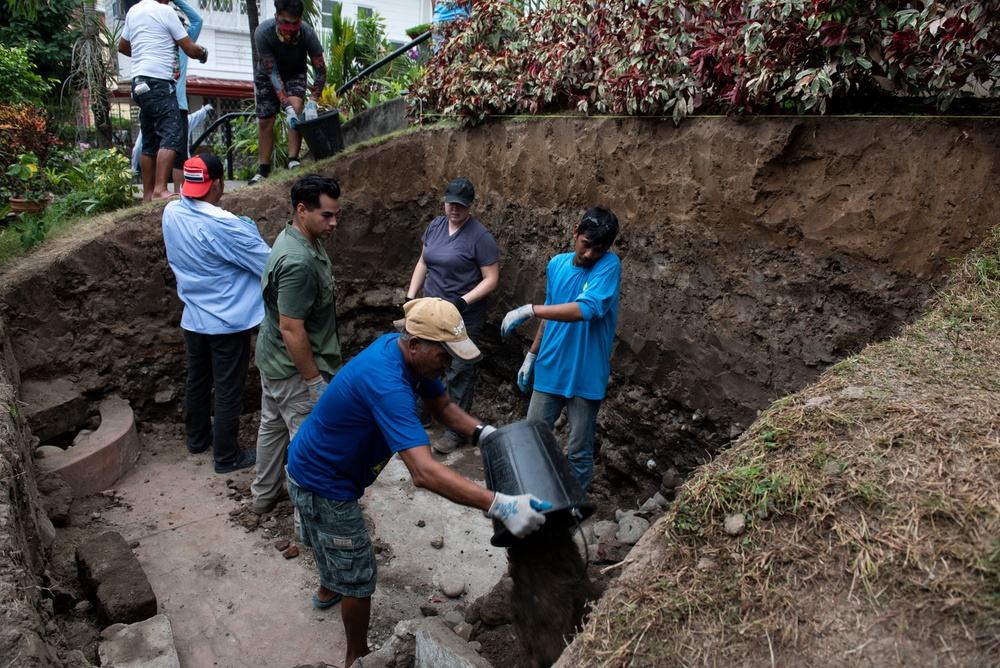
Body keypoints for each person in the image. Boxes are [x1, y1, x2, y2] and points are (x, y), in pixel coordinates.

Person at [286, 297, 549, 668]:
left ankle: (329, 586)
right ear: (415, 344)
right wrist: (499, 504)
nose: (450, 363)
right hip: (323, 483)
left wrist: (484, 433)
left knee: (331, 544)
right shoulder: (387, 383)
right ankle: (357, 656)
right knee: (359, 576)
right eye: (445, 355)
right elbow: (423, 472)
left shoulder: (405, 356)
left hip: (315, 464)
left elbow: (441, 407)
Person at [161, 153, 271, 473]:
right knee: (227, 390)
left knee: (197, 380)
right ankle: (226, 455)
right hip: (227, 322)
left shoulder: (171, 212)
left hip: (194, 318)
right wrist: (247, 231)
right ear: (219, 184)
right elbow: (268, 266)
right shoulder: (227, 226)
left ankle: (197, 439)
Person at [501, 207, 622, 490]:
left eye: (599, 249)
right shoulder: (556, 264)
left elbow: (587, 308)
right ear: (575, 232)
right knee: (533, 438)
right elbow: (549, 314)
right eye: (586, 244)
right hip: (551, 366)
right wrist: (532, 355)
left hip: (586, 373)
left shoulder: (609, 266)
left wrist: (529, 309)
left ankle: (571, 508)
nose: (591, 254)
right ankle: (523, 495)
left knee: (579, 449)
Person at [251, 174, 342, 515]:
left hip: (273, 360)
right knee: (308, 445)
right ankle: (311, 520)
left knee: (272, 427)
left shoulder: (298, 236)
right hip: (292, 369)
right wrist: (314, 381)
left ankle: (262, 497)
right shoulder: (298, 261)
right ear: (302, 210)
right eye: (326, 216)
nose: (334, 223)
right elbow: (291, 329)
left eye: (336, 214)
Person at [405, 177, 499, 453]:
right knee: (423, 361)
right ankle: (421, 414)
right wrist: (411, 296)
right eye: (450, 203)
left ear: (471, 205)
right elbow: (424, 261)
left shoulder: (480, 237)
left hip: (462, 316)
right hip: (431, 311)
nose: (454, 209)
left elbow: (491, 279)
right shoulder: (435, 226)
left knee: (459, 369)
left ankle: (455, 431)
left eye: (461, 205)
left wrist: (462, 301)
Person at [119, 0, 208, 203]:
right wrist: (203, 53)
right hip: (159, 82)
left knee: (150, 140)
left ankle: (148, 195)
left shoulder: (134, 11)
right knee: (172, 134)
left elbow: (123, 46)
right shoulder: (166, 12)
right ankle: (160, 189)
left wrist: (145, 53)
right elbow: (190, 49)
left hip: (139, 83)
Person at [248, 0, 327, 185]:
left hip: (295, 72)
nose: (290, 28)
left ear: (300, 19)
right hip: (268, 75)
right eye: (286, 22)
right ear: (277, 16)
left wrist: (313, 101)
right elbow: (272, 73)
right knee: (266, 120)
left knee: (297, 104)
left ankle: (293, 160)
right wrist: (285, 106)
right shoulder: (263, 32)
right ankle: (264, 170)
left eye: (295, 23)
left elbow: (321, 69)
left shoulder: (307, 32)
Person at [170, 0, 204, 193]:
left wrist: (176, 1)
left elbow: (197, 20)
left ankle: (177, 192)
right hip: (163, 100)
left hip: (179, 104)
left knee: (179, 151)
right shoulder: (159, 40)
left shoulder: (185, 42)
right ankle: (165, 191)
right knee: (164, 148)